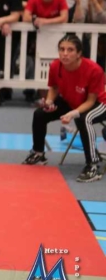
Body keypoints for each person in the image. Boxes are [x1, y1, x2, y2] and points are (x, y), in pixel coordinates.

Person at [23, 35, 106, 183]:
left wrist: (73, 113)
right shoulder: (56, 66)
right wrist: (49, 102)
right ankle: (38, 153)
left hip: (99, 103)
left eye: (70, 50)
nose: (65, 53)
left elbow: (91, 100)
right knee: (40, 114)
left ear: (79, 53)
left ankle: (93, 165)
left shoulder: (94, 70)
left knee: (83, 118)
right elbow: (54, 87)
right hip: (71, 100)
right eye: (62, 49)